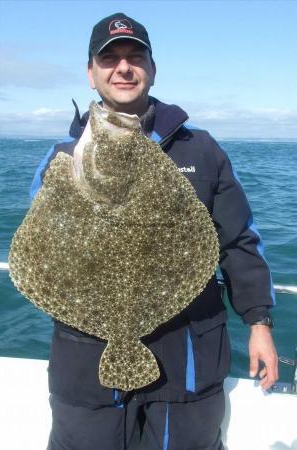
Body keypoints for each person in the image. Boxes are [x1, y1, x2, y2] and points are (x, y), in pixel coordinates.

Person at [30, 12, 278, 450]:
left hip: (187, 356)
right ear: (91, 74)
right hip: (85, 358)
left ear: (152, 68)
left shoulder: (201, 149)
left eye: (134, 56)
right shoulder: (61, 159)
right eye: (109, 59)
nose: (123, 68)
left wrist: (259, 322)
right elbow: (41, 248)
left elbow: (238, 240)